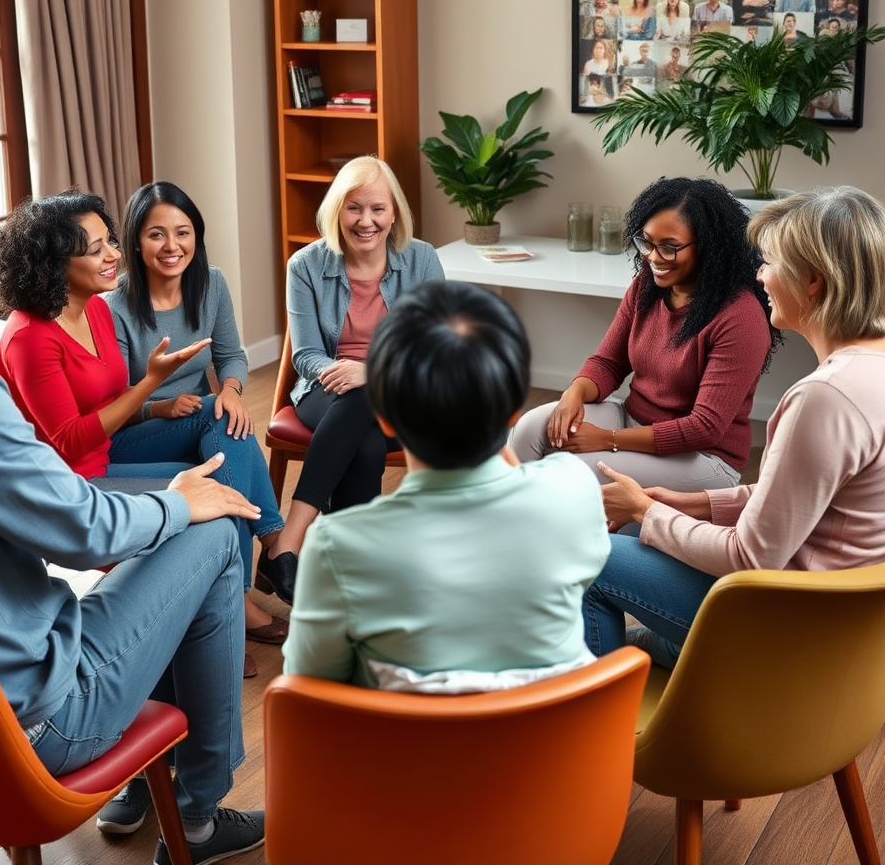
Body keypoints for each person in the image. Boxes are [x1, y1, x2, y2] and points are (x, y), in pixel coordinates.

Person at [0, 155, 265, 865]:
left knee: (191, 522)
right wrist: (178, 502)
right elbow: (82, 530)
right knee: (216, 531)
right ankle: (198, 814)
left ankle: (158, 784)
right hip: (31, 723)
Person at [0, 192, 288, 689]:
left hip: (110, 452)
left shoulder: (95, 312)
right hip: (75, 480)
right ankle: (249, 585)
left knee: (219, 432)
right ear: (54, 261)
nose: (113, 256)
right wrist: (151, 387)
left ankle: (245, 585)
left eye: (110, 242)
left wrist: (176, 393)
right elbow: (66, 442)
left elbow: (115, 400)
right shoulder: (30, 337)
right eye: (96, 248)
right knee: (210, 492)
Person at [585, 187, 885, 666]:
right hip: (835, 625)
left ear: (812, 280)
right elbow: (795, 496)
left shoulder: (825, 398)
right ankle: (653, 664)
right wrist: (696, 504)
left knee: (584, 553)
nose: (759, 275)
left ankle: (588, 725)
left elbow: (752, 558)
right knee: (630, 555)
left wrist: (647, 511)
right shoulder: (871, 371)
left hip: (783, 624)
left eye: (768, 262)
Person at [283, 280, 610, 688]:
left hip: (408, 749)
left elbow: (311, 689)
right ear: (514, 412)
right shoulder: (573, 488)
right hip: (554, 747)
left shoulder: (338, 545)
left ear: (384, 418)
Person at [104, 181, 294, 642]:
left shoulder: (212, 284)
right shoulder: (113, 306)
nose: (172, 246)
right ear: (135, 239)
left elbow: (232, 355)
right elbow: (111, 405)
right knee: (219, 418)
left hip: (197, 422)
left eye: (183, 232)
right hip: (134, 435)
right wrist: (160, 406)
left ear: (197, 236)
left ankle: (232, 600)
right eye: (156, 234)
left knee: (226, 427)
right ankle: (273, 547)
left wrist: (231, 388)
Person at [511, 177, 777, 493]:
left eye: (669, 246)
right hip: (633, 419)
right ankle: (509, 521)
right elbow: (609, 362)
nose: (652, 257)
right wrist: (573, 394)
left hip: (704, 457)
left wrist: (607, 440)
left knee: (568, 472)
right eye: (646, 242)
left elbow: (704, 428)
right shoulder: (646, 287)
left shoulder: (740, 317)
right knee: (530, 428)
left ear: (709, 247)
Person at [271, 156, 444, 601]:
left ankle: (292, 543)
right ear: (336, 211)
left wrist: (371, 371)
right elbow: (306, 354)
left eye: (378, 209)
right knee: (360, 420)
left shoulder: (422, 260)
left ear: (394, 213)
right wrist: (343, 373)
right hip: (325, 388)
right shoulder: (305, 265)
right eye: (353, 207)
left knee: (365, 414)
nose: (366, 221)